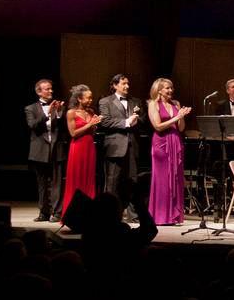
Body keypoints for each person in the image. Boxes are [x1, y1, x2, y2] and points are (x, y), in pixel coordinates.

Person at [98, 74, 146, 221]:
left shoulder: (135, 101)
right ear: (115, 85)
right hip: (115, 146)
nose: (127, 86)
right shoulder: (105, 101)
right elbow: (105, 122)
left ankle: (133, 215)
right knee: (113, 181)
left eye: (128, 83)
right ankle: (109, 214)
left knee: (132, 180)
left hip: (132, 146)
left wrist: (137, 120)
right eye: (123, 84)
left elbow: (144, 120)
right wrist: (125, 122)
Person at [147, 78, 191, 225]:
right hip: (161, 144)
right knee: (162, 180)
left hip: (175, 142)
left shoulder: (176, 104)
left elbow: (181, 128)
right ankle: (160, 216)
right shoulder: (153, 104)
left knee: (176, 178)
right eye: (167, 88)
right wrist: (177, 117)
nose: (170, 90)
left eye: (171, 88)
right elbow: (158, 126)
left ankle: (173, 215)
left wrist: (181, 117)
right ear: (159, 90)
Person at [25, 79, 68, 222]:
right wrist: (46, 114)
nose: (51, 91)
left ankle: (57, 213)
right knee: (42, 183)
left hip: (57, 149)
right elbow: (32, 125)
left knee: (57, 183)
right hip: (39, 150)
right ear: (39, 91)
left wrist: (60, 113)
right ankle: (43, 212)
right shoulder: (30, 108)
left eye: (51, 88)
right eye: (47, 89)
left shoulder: (57, 106)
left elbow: (64, 127)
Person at [62, 84, 100, 220]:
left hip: (90, 147)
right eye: (88, 98)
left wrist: (94, 125)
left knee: (88, 179)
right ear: (79, 98)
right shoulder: (71, 112)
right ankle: (72, 216)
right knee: (76, 179)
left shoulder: (90, 112)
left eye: (91, 98)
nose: (91, 100)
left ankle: (89, 215)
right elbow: (73, 133)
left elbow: (92, 133)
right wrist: (90, 124)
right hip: (77, 148)